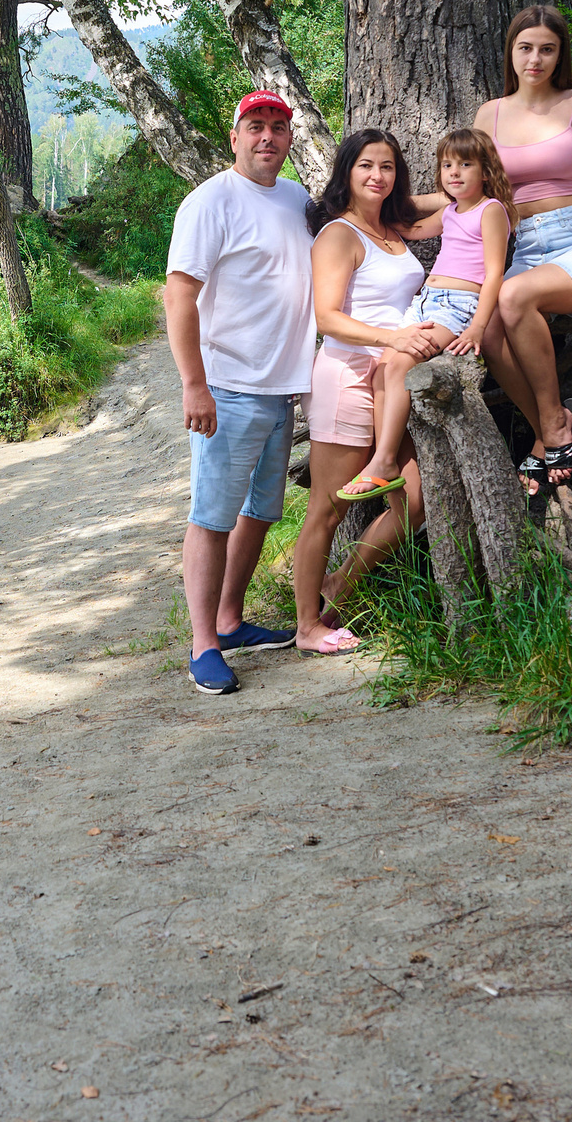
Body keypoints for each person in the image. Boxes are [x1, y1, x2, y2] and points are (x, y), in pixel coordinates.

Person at [164, 91, 320, 695]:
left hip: (283, 389)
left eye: (278, 127)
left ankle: (230, 620)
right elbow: (179, 295)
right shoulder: (210, 202)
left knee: (260, 512)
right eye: (255, 126)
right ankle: (203, 644)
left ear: (289, 138)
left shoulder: (297, 200)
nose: (267, 137)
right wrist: (194, 385)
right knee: (212, 517)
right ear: (235, 137)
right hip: (227, 388)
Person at [288, 129, 435, 654]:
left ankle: (340, 585)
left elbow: (457, 200)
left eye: (388, 166)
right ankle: (307, 626)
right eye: (366, 165)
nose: (377, 175)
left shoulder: (393, 227)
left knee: (416, 499)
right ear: (345, 172)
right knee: (327, 510)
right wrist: (392, 337)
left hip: (392, 380)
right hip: (348, 378)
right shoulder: (338, 235)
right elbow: (328, 318)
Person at [474, 6, 572, 510]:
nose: (535, 59)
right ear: (510, 52)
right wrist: (399, 210)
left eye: (547, 49)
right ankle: (548, 427)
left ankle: (554, 426)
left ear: (561, 56)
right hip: (527, 242)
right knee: (486, 327)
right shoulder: (489, 115)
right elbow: (473, 188)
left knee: (513, 296)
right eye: (525, 48)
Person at [341, 128, 514, 502]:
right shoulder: (450, 211)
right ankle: (384, 459)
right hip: (426, 302)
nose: (454, 173)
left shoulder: (490, 210)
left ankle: (384, 461)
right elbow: (411, 228)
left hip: (459, 305)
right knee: (383, 370)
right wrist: (368, 207)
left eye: (465, 165)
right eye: (447, 166)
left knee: (402, 362)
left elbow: (494, 274)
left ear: (486, 171)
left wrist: (478, 327)